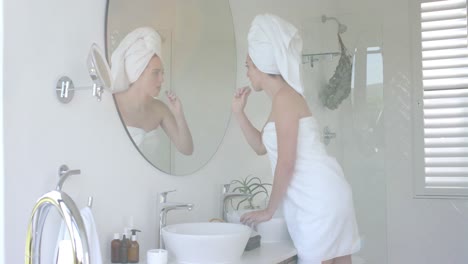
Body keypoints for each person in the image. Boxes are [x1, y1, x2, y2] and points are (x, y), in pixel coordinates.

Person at [233, 14, 360, 264]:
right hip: (324, 195)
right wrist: (239, 113)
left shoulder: (285, 99)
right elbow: (261, 147)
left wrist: (269, 210)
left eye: (248, 65)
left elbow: (286, 162)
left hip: (318, 199)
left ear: (259, 65)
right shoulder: (283, 99)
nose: (247, 71)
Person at [111, 27, 193, 156]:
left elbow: (187, 149)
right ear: (137, 73)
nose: (162, 79)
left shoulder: (160, 109)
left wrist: (179, 114)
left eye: (162, 73)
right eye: (155, 73)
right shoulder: (111, 104)